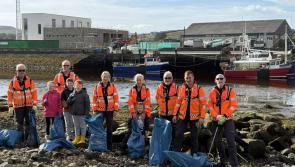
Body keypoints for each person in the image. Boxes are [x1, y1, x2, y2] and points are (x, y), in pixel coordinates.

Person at [172, 70, 207, 154]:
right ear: (184, 78)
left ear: (193, 78)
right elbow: (178, 102)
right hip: (182, 116)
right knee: (178, 134)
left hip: (195, 118)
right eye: (186, 78)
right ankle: (176, 153)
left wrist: (202, 117)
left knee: (194, 136)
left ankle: (194, 154)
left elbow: (204, 105)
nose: (188, 79)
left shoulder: (199, 89)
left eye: (189, 77)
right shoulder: (182, 88)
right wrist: (174, 114)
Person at [208, 74, 238, 167]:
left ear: (225, 80)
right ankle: (222, 161)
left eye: (221, 79)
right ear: (215, 80)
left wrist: (224, 115)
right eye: (218, 79)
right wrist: (217, 116)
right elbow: (209, 106)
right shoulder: (211, 92)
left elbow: (234, 105)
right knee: (217, 141)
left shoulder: (230, 91)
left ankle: (234, 164)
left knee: (231, 142)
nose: (220, 80)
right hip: (216, 120)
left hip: (228, 120)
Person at [121, 74, 151, 153]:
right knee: (130, 130)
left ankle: (142, 148)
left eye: (140, 80)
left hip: (144, 113)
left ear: (143, 81)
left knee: (143, 131)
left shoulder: (147, 90)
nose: (139, 81)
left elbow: (148, 103)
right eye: (137, 80)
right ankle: (123, 148)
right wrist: (133, 112)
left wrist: (144, 113)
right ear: (135, 81)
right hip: (134, 113)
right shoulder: (132, 90)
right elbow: (130, 102)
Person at [7, 64, 38, 141]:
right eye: (19, 70)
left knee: (29, 123)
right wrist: (10, 106)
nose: (21, 72)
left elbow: (34, 93)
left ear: (25, 71)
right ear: (16, 71)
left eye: (23, 70)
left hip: (28, 106)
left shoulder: (30, 81)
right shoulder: (12, 82)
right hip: (18, 107)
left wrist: (35, 104)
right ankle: (20, 139)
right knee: (19, 123)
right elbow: (9, 95)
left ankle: (27, 138)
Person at [92, 71, 119, 150]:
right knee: (99, 127)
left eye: (107, 77)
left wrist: (116, 110)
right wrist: (94, 109)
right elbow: (94, 98)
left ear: (109, 78)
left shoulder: (113, 86)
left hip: (110, 110)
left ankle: (109, 145)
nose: (105, 78)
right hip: (100, 110)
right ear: (101, 77)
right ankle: (99, 143)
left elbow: (116, 98)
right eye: (104, 77)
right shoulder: (97, 86)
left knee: (109, 128)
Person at [155, 71, 178, 147]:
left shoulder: (177, 88)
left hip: (173, 115)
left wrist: (175, 113)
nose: (167, 79)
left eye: (169, 78)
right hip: (162, 115)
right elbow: (157, 98)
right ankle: (163, 147)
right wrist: (162, 104)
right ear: (163, 78)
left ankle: (172, 147)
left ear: (172, 78)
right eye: (166, 78)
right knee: (163, 132)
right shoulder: (159, 88)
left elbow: (180, 102)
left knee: (173, 132)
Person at [67, 80, 90, 145]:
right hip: (74, 113)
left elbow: (87, 105)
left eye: (79, 86)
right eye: (76, 85)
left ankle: (82, 138)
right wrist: (70, 99)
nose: (78, 87)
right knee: (76, 126)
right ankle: (77, 138)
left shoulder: (85, 95)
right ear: (74, 86)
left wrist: (86, 114)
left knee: (82, 126)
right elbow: (68, 103)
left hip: (82, 114)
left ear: (82, 86)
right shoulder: (72, 94)